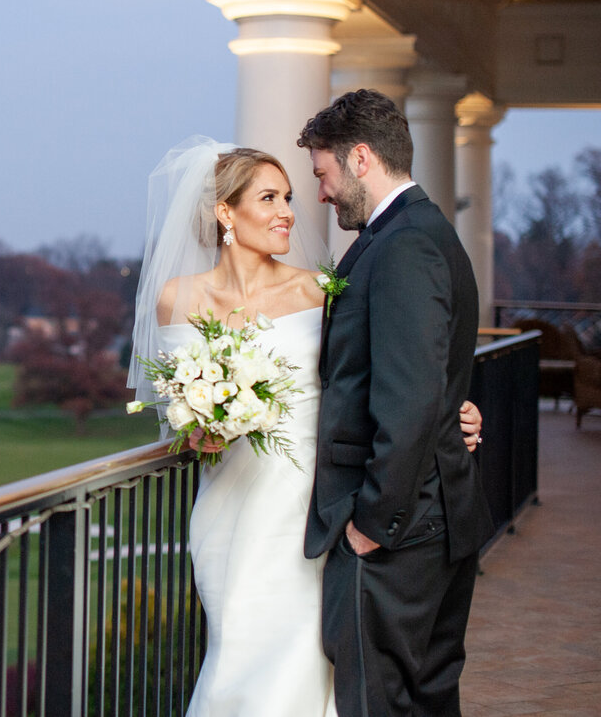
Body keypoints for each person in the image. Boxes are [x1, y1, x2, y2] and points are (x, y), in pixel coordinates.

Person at [127, 137, 482, 717]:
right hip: (229, 508)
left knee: (305, 659)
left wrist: (451, 416)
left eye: (290, 195)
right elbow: (175, 411)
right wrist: (200, 428)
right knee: (236, 648)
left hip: (310, 509)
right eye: (269, 197)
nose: (289, 210)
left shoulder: (318, 289)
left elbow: (386, 374)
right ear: (225, 213)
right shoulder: (175, 299)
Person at [297, 89, 495, 717]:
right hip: (436, 515)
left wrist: (369, 527)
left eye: (323, 174)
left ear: (360, 159)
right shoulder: (426, 231)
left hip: (401, 530)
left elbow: (407, 400)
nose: (321, 195)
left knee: (376, 703)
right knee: (429, 699)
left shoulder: (404, 245)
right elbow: (433, 376)